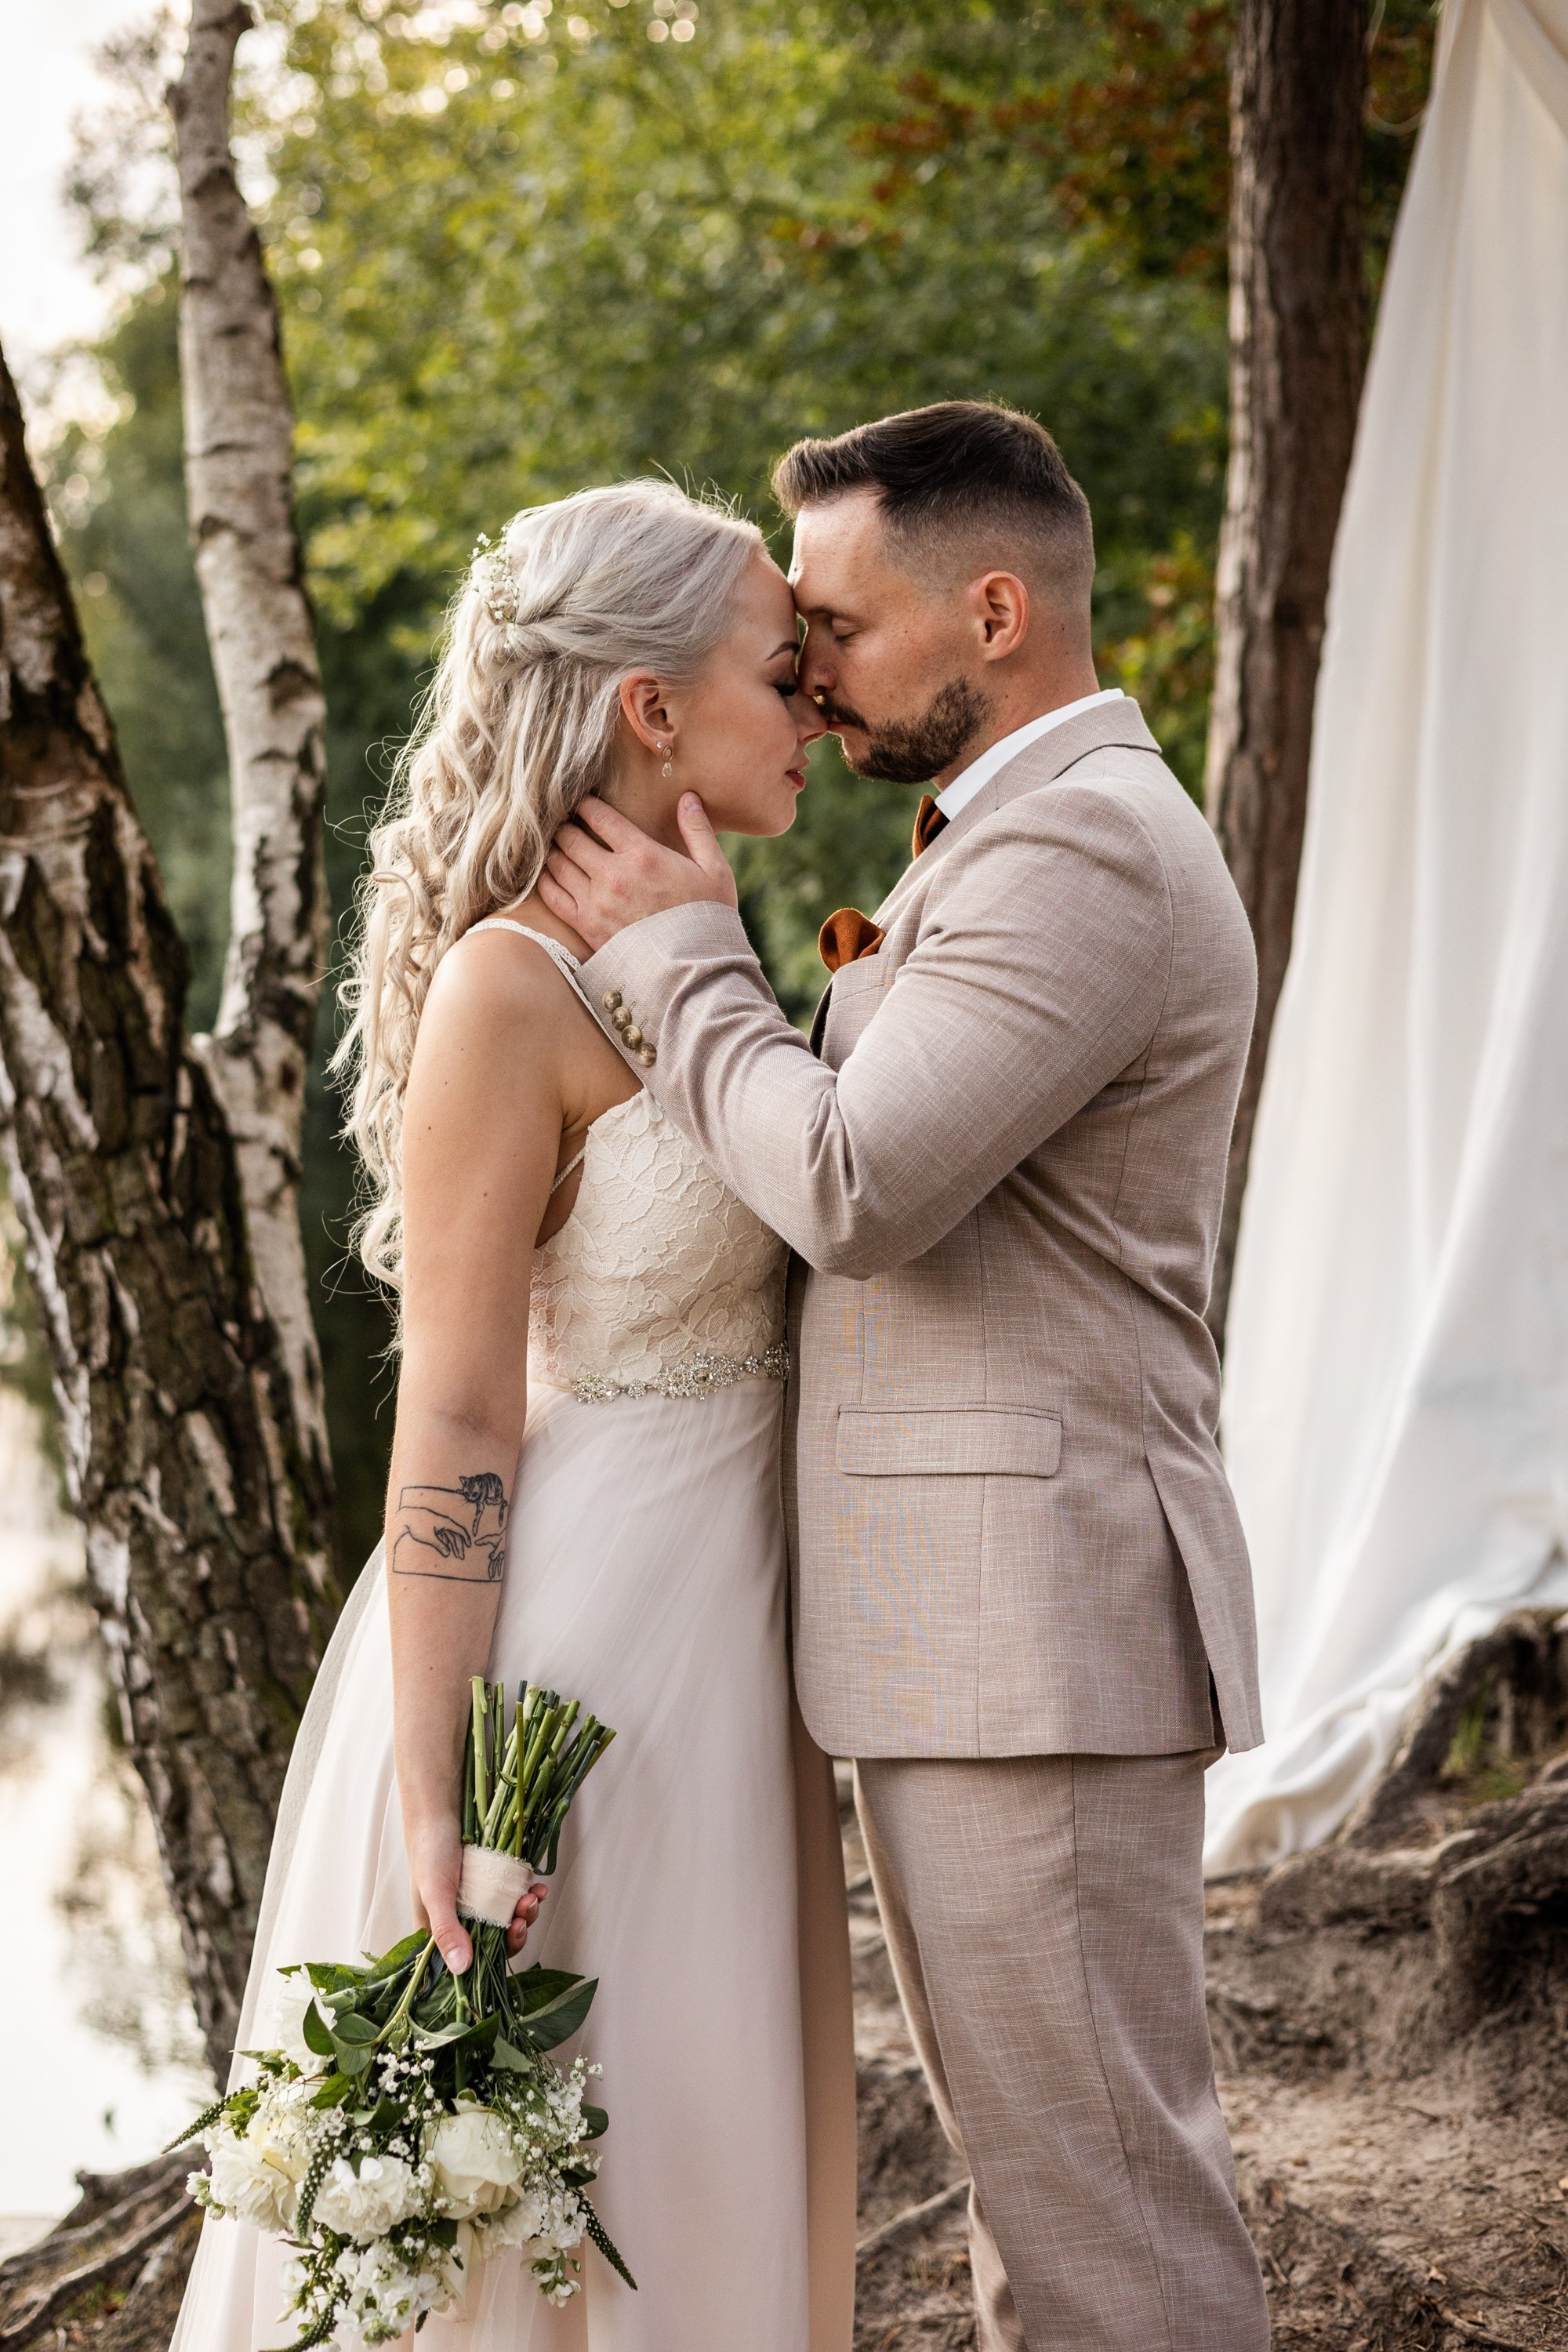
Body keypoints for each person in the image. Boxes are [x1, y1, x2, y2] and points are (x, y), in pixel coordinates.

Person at [539, 401, 1274, 2351]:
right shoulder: (1013, 838)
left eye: (843, 631)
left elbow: (855, 1184)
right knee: (1050, 2210)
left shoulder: (1086, 852)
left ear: (1000, 610)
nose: (813, 675)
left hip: (1036, 1630)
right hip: (979, 1634)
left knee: (1109, 2222)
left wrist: (695, 961)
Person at [169, 480, 858, 2352]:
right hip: (587, 1667)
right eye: (779, 671)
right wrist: (433, 1780)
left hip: (732, 1649)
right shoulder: (507, 985)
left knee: (710, 2138)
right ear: (649, 706)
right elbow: (461, 1409)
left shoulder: (701, 938)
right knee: (582, 2174)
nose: (815, 706)